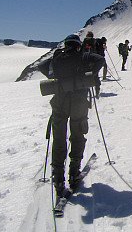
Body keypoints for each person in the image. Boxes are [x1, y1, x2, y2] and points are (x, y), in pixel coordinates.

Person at [39, 34, 105, 196]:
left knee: (59, 139)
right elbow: (100, 60)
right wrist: (89, 74)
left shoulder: (57, 57)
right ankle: (74, 174)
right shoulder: (82, 55)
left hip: (59, 100)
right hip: (78, 100)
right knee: (77, 135)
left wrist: (53, 77)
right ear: (78, 45)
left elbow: (42, 66)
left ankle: (58, 179)